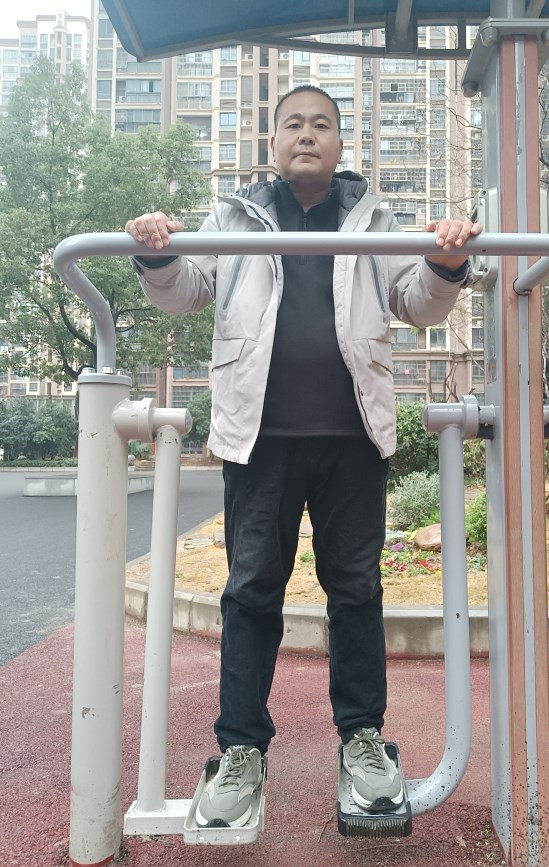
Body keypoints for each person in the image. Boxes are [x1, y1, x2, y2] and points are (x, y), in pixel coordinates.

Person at [126, 84, 482, 829]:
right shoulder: (234, 216)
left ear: (340, 143)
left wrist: (446, 264)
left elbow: (413, 301)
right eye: (294, 123)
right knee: (251, 590)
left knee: (355, 590)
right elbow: (188, 291)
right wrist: (156, 254)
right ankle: (241, 747)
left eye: (323, 124)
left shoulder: (373, 217)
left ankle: (361, 737)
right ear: (274, 142)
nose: (308, 134)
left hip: (353, 437)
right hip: (260, 440)